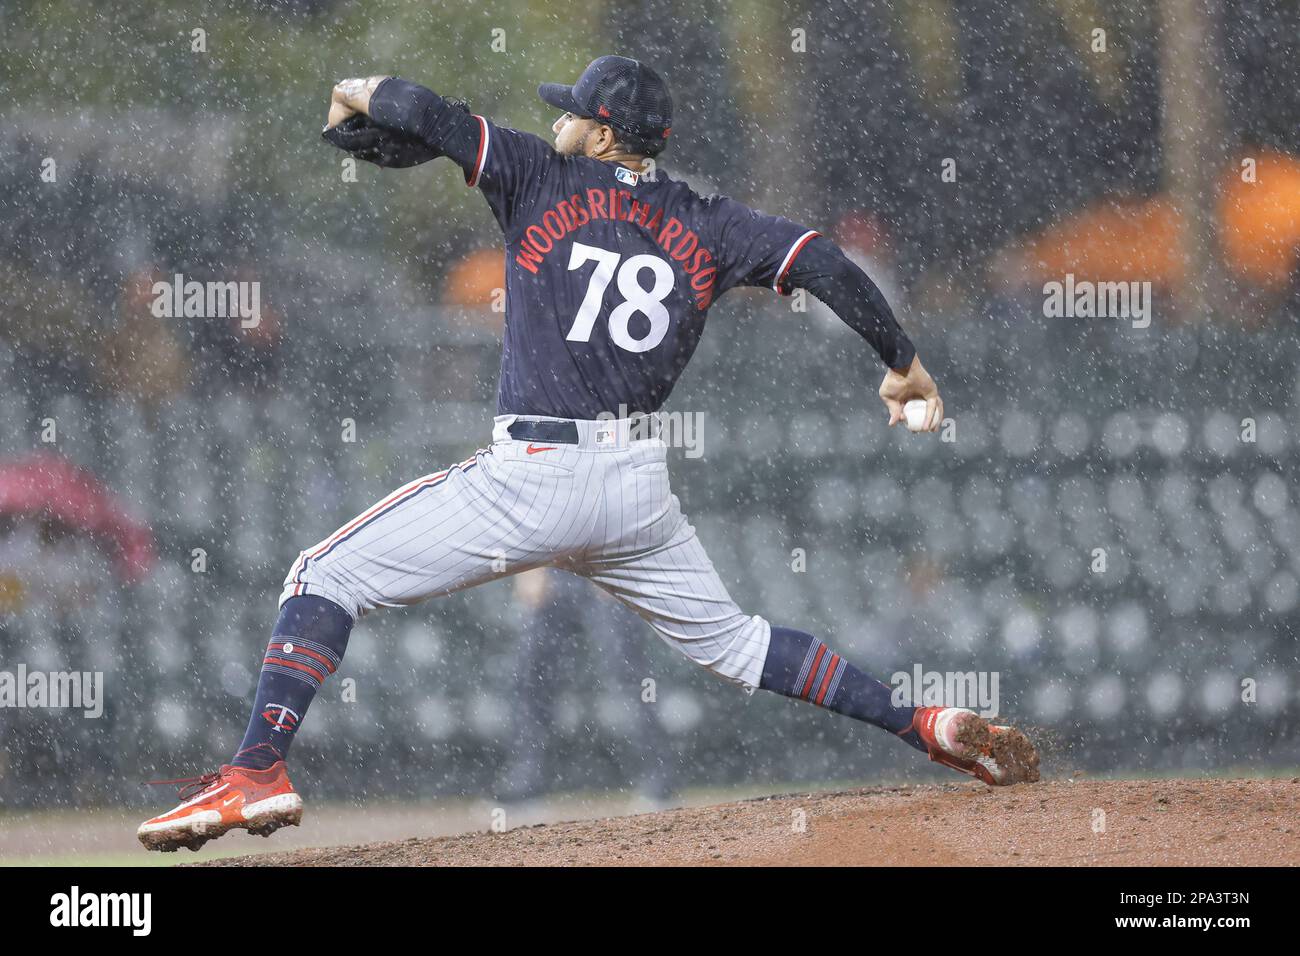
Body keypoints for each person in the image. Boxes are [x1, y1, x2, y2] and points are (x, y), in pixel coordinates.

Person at [139, 55, 1037, 852]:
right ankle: (923, 722)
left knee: (319, 577)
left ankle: (257, 770)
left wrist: (351, 95)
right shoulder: (710, 222)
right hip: (635, 492)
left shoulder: (536, 171)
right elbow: (826, 261)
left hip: (532, 474)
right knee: (740, 644)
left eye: (573, 107)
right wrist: (903, 364)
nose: (558, 115)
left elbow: (404, 102)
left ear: (602, 130)